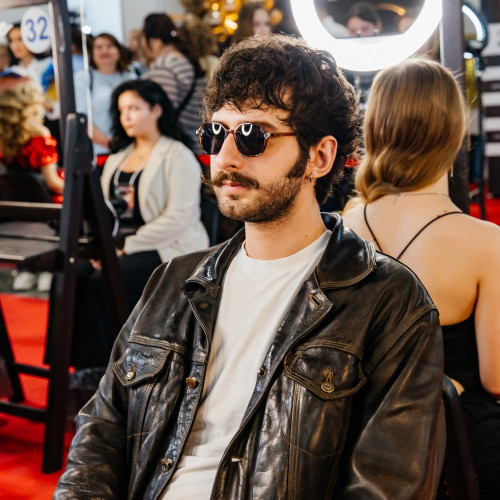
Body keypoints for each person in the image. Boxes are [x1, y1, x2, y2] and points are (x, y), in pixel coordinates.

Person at [54, 34, 445, 499]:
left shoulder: (388, 301)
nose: (225, 157)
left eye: (253, 136)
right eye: (216, 134)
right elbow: (101, 430)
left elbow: (386, 485)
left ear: (319, 157)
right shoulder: (175, 281)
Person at [342, 58, 500, 499]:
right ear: (454, 133)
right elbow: (496, 379)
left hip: (364, 455)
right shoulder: (485, 242)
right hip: (459, 455)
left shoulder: (339, 232)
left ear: (375, 129)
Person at [69, 78, 209, 372]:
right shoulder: (117, 158)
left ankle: (102, 368)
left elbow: (179, 218)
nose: (127, 117)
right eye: (122, 111)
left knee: (105, 279)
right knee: (74, 272)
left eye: (134, 108)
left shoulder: (177, 155)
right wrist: (101, 246)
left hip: (168, 245)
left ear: (156, 110)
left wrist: (123, 246)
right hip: (116, 244)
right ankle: (71, 364)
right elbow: (104, 212)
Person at [0, 72, 64, 292]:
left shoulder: (3, 136)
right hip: (45, 204)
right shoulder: (39, 134)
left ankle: (27, 271)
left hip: (16, 205)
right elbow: (52, 182)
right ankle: (48, 269)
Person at [142, 13, 206, 150]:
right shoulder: (190, 59)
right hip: (198, 141)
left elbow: (162, 111)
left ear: (153, 40)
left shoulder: (163, 65)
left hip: (177, 146)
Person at [74, 33, 136, 161]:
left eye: (109, 46)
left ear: (119, 51)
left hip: (130, 150)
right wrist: (109, 142)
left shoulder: (129, 76)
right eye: (99, 47)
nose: (104, 51)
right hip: (98, 152)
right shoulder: (84, 77)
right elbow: (82, 117)